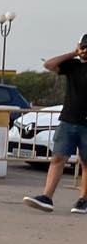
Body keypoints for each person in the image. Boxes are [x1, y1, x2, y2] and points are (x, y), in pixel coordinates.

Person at [24, 34, 87, 213]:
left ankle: (84, 200)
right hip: (68, 120)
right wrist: (73, 53)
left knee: (86, 162)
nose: (85, 51)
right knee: (58, 158)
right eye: (83, 47)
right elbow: (49, 65)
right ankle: (47, 197)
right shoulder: (73, 66)